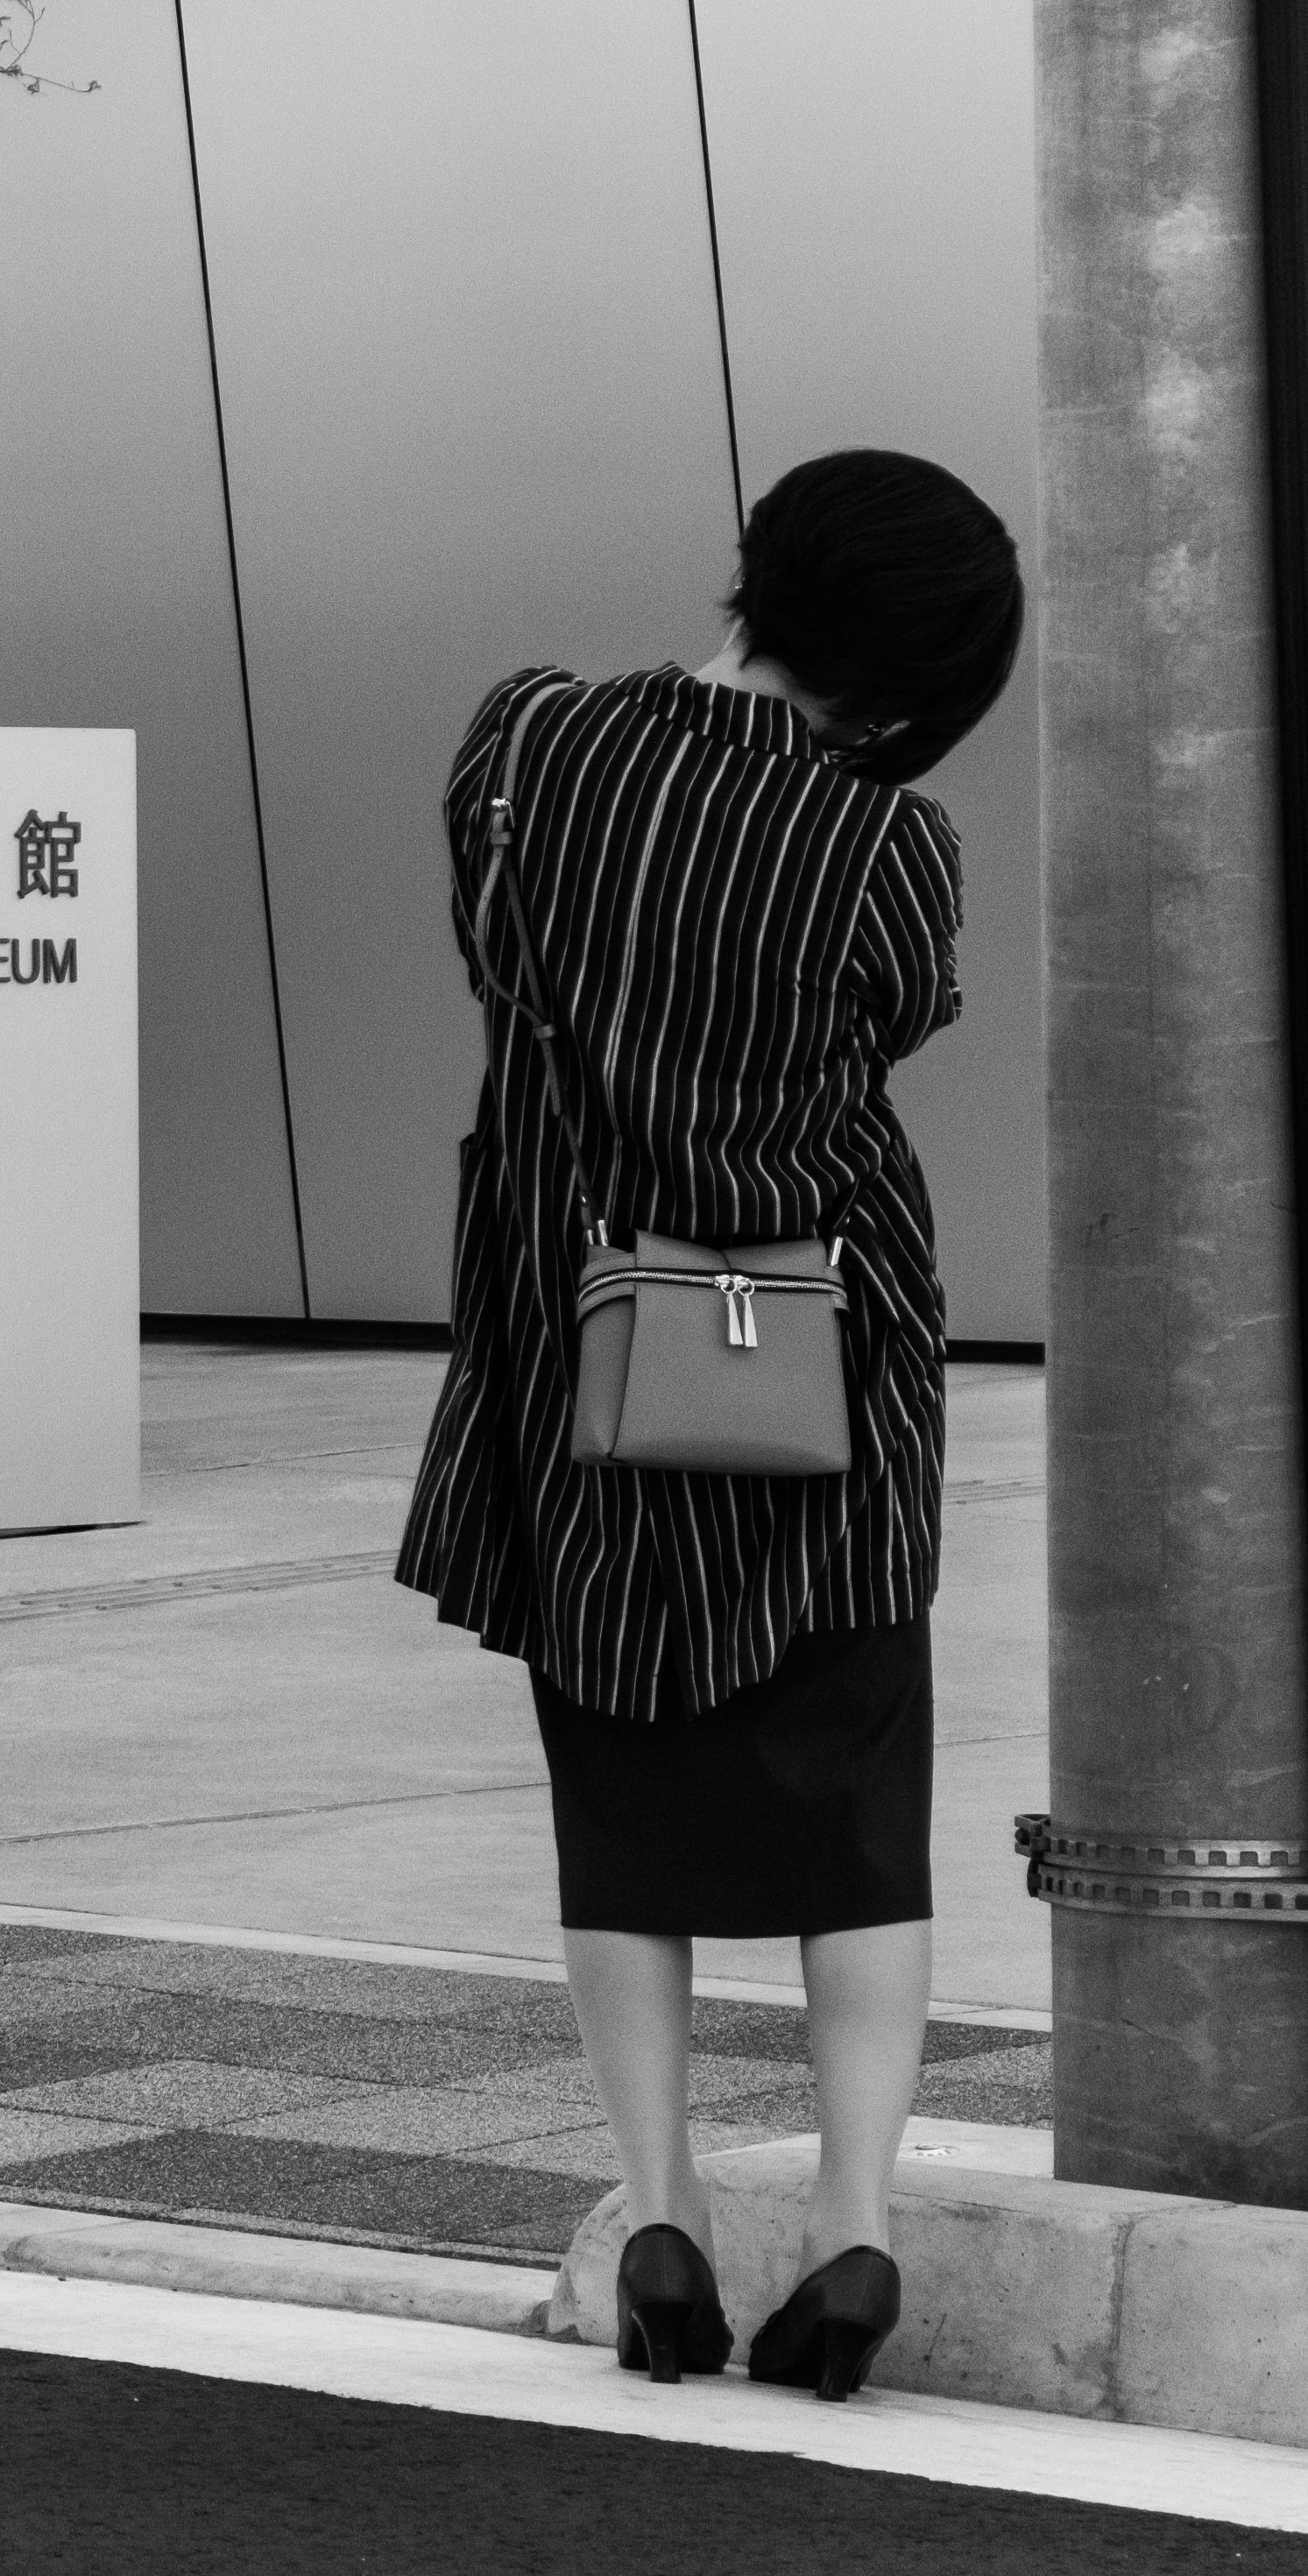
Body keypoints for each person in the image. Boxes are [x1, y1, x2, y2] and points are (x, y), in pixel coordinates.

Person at [397, 449, 1025, 2402]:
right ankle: (850, 2232)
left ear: (759, 571)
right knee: (852, 1821)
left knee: (621, 1804)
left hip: (579, 1349)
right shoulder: (881, 845)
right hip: (812, 1356)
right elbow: (896, 1020)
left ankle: (655, 2214)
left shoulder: (528, 747)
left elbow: (491, 954)